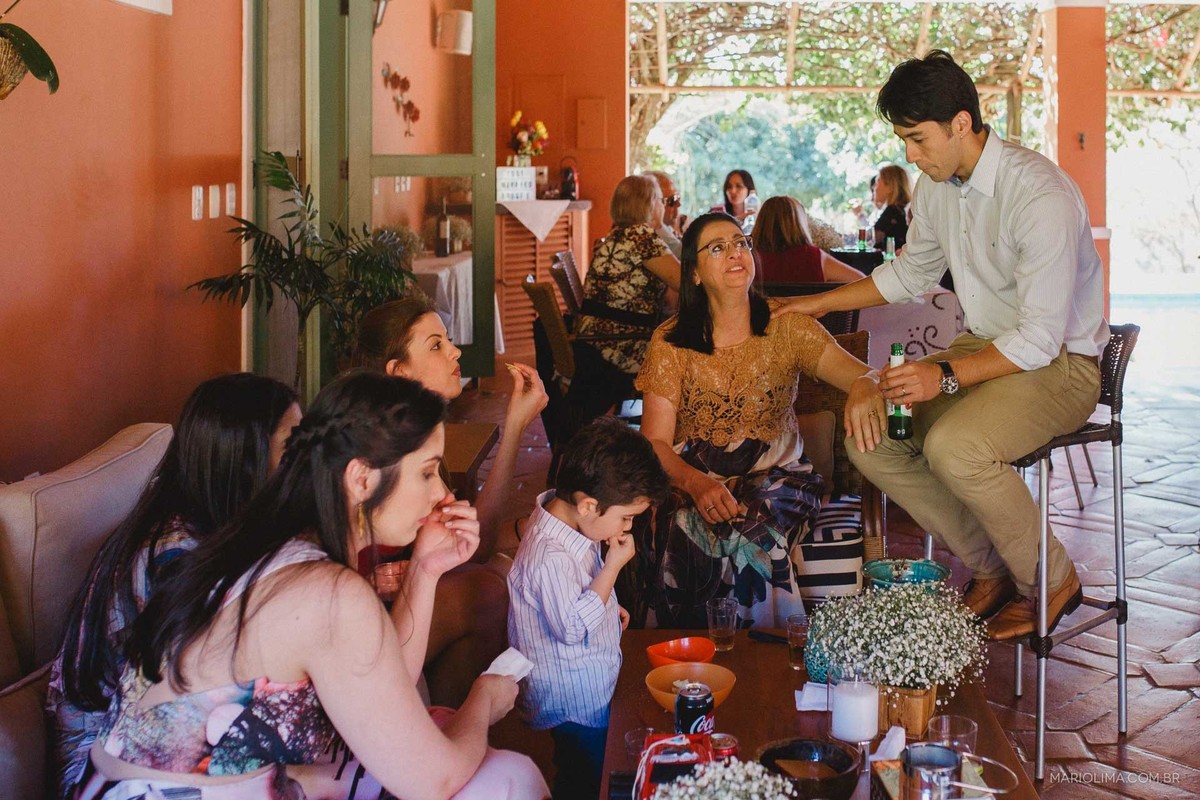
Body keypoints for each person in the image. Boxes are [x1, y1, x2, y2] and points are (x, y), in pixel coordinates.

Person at [71, 371, 549, 799]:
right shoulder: (324, 590)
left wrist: (425, 569)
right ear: (361, 477)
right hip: (159, 792)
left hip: (168, 784)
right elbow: (433, 782)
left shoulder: (281, 545)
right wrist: (483, 699)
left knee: (498, 772)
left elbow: (381, 692)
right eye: (427, 473)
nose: (443, 494)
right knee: (509, 778)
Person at [772, 50, 1107, 642]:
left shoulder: (1039, 195)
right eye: (903, 139)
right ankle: (992, 568)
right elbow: (907, 275)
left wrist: (944, 378)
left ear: (960, 123)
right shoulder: (936, 189)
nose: (909, 155)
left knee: (956, 445)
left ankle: (1051, 578)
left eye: (917, 138)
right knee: (872, 434)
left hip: (1062, 365)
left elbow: (1037, 340)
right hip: (987, 348)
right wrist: (809, 305)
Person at [49, 373, 299, 799]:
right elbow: (220, 694)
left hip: (169, 744)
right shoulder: (175, 555)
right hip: (106, 772)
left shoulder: (221, 530)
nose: (307, 462)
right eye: (293, 447)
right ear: (243, 459)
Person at [634, 212, 877, 629]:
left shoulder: (787, 328)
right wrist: (696, 482)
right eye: (717, 247)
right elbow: (654, 441)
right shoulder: (670, 341)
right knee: (679, 528)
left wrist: (868, 383)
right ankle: (689, 664)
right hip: (694, 477)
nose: (735, 252)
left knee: (749, 537)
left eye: (740, 242)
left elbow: (862, 374)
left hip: (781, 479)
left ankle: (762, 664)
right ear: (693, 274)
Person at [352, 294, 548, 706]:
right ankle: (444, 728)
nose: (455, 350)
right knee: (489, 589)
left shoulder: (418, 429)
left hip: (399, 609)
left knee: (496, 576)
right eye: (436, 345)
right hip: (360, 632)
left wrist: (514, 427)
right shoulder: (380, 449)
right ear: (398, 371)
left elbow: (476, 541)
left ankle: (443, 720)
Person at [507, 419, 670, 800]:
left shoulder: (573, 519)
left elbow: (578, 592)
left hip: (583, 682)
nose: (628, 526)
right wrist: (613, 567)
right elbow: (571, 626)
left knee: (580, 770)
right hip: (572, 701)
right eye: (626, 516)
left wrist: (608, 606)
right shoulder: (549, 555)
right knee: (588, 777)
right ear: (589, 504)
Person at [569, 175, 681, 442]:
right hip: (621, 345)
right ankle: (668, 443)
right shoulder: (642, 236)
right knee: (685, 356)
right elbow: (685, 282)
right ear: (648, 204)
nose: (663, 207)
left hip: (593, 342)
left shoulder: (614, 235)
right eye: (659, 200)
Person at [751, 195, 867, 284]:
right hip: (809, 316)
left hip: (761, 316)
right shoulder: (814, 257)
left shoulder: (749, 258)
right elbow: (861, 281)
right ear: (799, 223)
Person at [643, 169, 685, 258]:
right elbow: (684, 258)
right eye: (672, 200)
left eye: (678, 197)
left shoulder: (667, 228)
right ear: (651, 205)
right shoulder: (648, 233)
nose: (679, 204)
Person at [871, 163, 912, 248]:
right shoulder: (901, 211)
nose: (874, 187)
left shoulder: (892, 212)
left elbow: (875, 245)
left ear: (890, 187)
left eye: (877, 182)